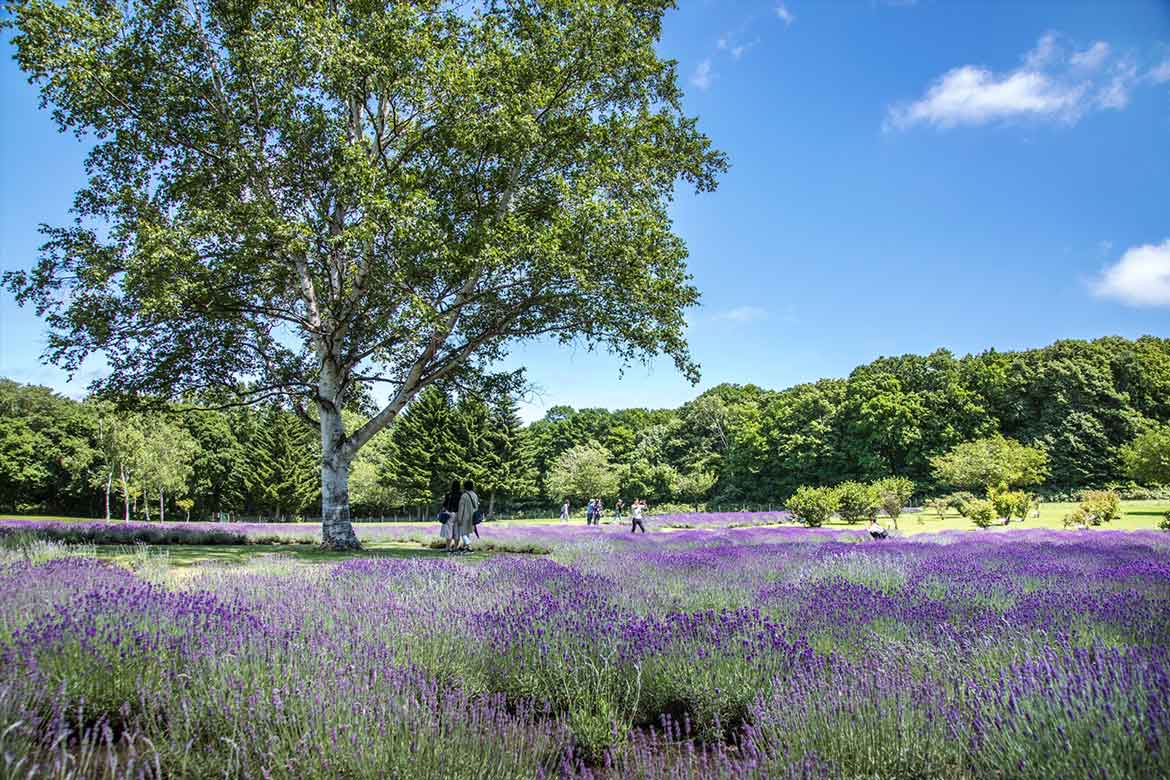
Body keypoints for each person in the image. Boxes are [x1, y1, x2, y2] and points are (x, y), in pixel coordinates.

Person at [455, 479, 479, 554]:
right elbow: (476, 507)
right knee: (467, 533)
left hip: (465, 517)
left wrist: (459, 518)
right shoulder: (474, 495)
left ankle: (469, 547)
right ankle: (466, 548)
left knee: (463, 533)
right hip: (472, 517)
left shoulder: (464, 496)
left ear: (465, 487)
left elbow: (461, 508)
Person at [439, 479, 462, 552]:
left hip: (450, 513)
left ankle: (448, 547)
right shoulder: (462, 495)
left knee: (449, 531)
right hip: (458, 514)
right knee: (457, 531)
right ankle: (455, 548)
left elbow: (444, 505)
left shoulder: (449, 494)